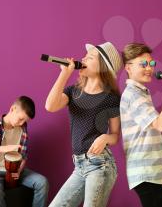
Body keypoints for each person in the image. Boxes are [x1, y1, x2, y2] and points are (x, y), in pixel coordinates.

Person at [46, 42, 122, 207]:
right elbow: (50, 106)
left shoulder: (112, 98)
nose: (84, 58)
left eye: (90, 56)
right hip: (79, 165)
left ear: (103, 67)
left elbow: (115, 136)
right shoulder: (74, 91)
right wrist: (63, 75)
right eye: (85, 55)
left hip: (100, 164)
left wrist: (105, 137)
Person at [120, 43, 162, 207]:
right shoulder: (133, 95)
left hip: (157, 171)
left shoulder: (141, 93)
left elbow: (149, 135)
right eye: (143, 64)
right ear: (128, 68)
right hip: (147, 174)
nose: (149, 68)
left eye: (151, 63)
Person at [0, 96, 49, 207]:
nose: (22, 123)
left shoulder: (23, 129)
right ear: (12, 109)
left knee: (42, 182)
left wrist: (18, 171)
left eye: (25, 121)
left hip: (15, 171)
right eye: (21, 119)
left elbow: (24, 156)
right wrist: (2, 148)